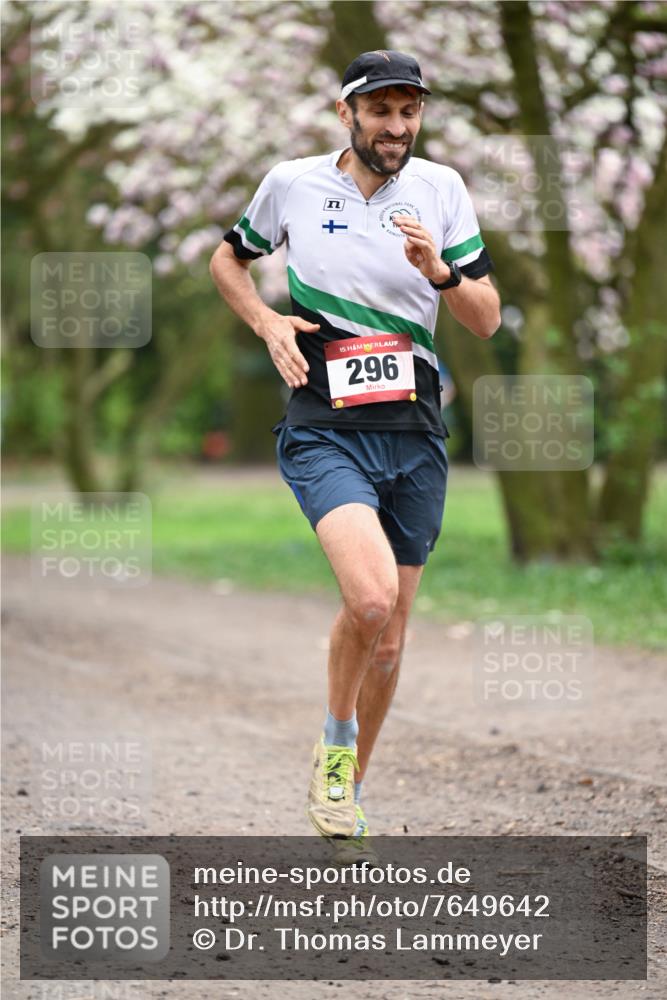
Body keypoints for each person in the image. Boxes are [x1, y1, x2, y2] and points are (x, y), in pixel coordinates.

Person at [209, 50, 500, 859]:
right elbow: (227, 257)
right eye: (381, 112)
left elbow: (485, 319)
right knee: (369, 603)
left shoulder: (441, 190)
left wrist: (438, 272)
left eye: (409, 113)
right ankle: (336, 747)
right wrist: (267, 323)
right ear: (348, 114)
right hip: (324, 425)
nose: (396, 128)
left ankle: (346, 789)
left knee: (395, 638)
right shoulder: (294, 183)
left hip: (414, 433)